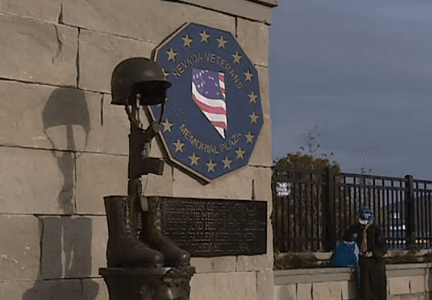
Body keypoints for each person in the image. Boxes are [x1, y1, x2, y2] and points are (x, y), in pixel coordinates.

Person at [343, 206, 387, 300]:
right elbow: (346, 240)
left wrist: (373, 253)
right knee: (365, 288)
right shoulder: (354, 229)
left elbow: (382, 247)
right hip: (360, 260)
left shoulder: (377, 230)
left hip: (375, 263)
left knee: (377, 289)